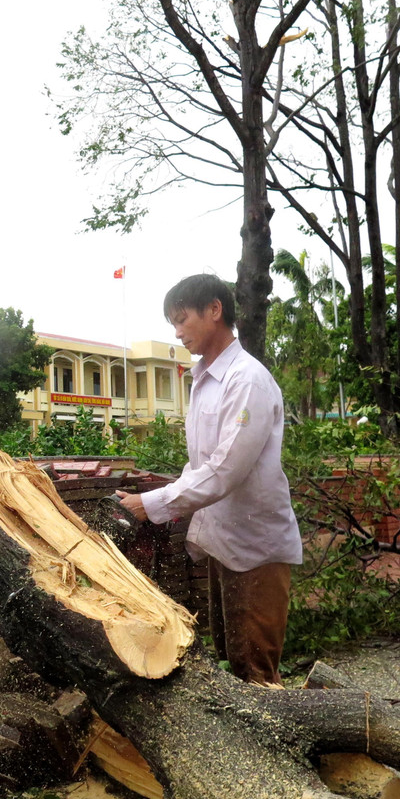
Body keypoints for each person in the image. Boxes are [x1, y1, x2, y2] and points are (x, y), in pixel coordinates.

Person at [116, 273, 302, 684]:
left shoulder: (246, 380)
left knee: (255, 673)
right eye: (173, 324)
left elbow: (225, 470)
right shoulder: (204, 380)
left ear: (214, 310)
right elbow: (201, 465)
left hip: (256, 549)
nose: (178, 332)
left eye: (182, 320)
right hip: (226, 544)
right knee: (233, 661)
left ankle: (269, 748)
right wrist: (151, 498)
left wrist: (151, 507)